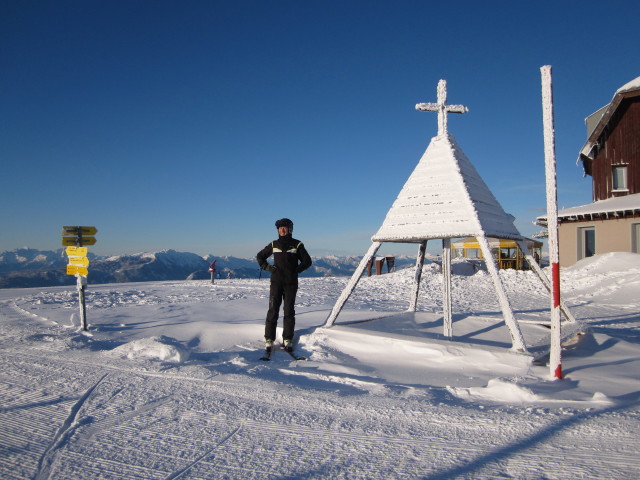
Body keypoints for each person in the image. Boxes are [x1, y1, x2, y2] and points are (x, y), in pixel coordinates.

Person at [256, 218, 312, 353]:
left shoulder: (297, 244)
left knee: (289, 311)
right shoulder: (274, 244)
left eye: (284, 227)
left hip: (291, 283)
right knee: (273, 310)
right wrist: (267, 267)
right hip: (276, 282)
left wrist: (295, 270)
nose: (282, 230)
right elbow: (260, 256)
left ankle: (288, 338)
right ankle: (269, 338)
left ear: (290, 229)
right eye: (280, 228)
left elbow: (307, 261)